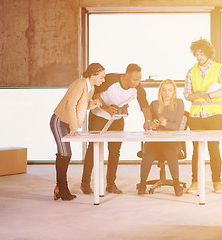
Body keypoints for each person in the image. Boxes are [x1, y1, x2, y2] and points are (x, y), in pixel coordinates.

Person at [80, 63, 152, 194]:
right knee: (93, 148)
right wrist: (106, 107)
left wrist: (147, 120)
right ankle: (85, 183)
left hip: (116, 119)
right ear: (126, 75)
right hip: (99, 116)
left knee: (115, 151)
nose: (137, 82)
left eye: (139, 79)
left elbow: (145, 105)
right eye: (135, 79)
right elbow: (94, 94)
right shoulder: (111, 79)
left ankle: (111, 184)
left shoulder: (137, 88)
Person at [184, 39, 222, 194]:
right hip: (195, 117)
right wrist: (200, 94)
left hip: (213, 116)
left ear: (208, 53)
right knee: (196, 151)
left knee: (214, 149)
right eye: (196, 54)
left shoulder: (219, 69)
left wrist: (210, 95)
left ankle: (217, 182)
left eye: (201, 53)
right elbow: (187, 94)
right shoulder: (191, 72)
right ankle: (195, 182)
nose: (199, 57)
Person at [50, 63, 105, 201]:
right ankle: (63, 189)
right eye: (102, 77)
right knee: (65, 154)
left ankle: (60, 189)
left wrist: (94, 103)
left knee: (65, 154)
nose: (103, 80)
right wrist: (74, 127)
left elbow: (83, 105)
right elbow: (71, 104)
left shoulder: (90, 88)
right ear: (93, 75)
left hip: (67, 123)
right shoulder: (80, 84)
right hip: (59, 121)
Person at [137, 79, 185, 196]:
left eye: (170, 90)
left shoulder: (179, 103)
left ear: (174, 91)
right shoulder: (154, 104)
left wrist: (165, 124)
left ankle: (176, 184)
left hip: (171, 141)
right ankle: (142, 183)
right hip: (155, 140)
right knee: (148, 153)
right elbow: (147, 124)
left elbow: (178, 126)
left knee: (170, 151)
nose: (167, 93)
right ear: (160, 92)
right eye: (164, 90)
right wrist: (153, 124)